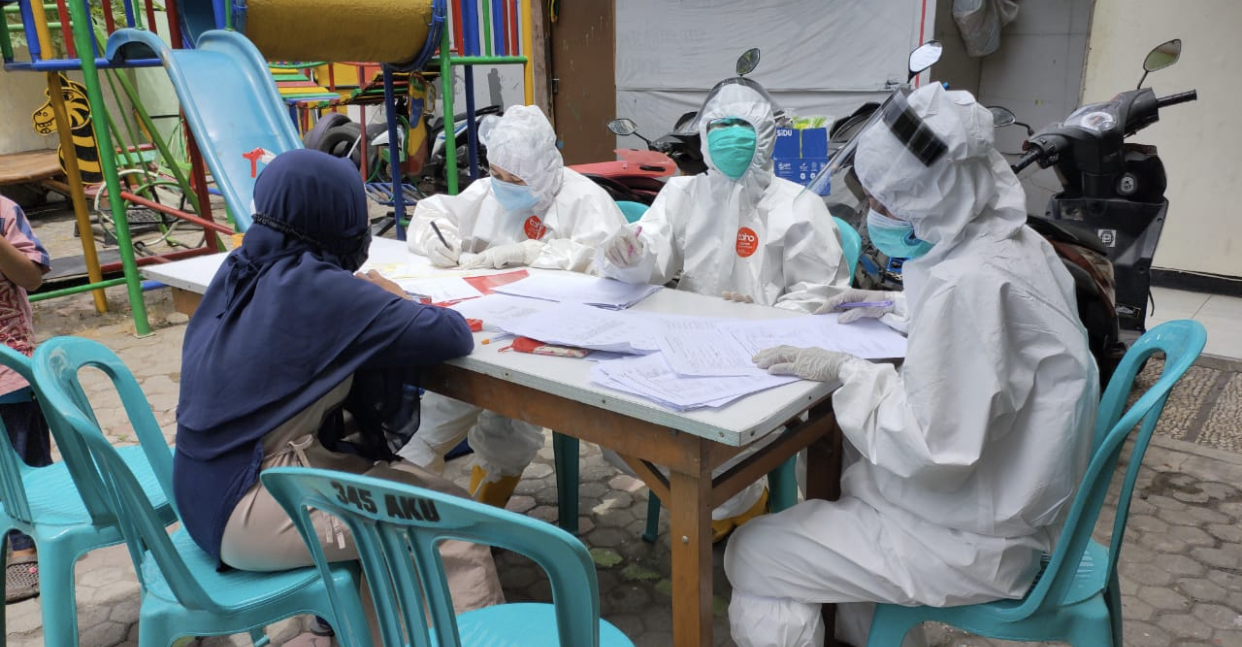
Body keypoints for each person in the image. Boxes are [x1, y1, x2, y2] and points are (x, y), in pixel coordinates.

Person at [723, 84, 1099, 647]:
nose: (875, 214)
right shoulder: (1015, 244)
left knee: (753, 553)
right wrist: (896, 306)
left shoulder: (967, 286)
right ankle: (864, 633)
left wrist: (851, 371)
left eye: (885, 203)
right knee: (843, 475)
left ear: (933, 197)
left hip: (972, 539)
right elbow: (992, 341)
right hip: (1003, 502)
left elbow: (929, 447)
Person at [174, 150, 504, 644]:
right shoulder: (323, 290)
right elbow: (451, 334)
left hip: (203, 489)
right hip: (251, 505)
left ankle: (359, 631)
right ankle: (473, 636)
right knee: (455, 525)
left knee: (424, 493)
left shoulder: (243, 266)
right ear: (338, 217)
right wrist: (394, 296)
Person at [595, 78, 850, 540]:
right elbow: (652, 251)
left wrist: (761, 315)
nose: (729, 136)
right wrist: (629, 255)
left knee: (724, 439)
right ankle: (719, 501)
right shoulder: (682, 195)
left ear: (766, 135)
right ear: (704, 134)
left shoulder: (799, 206)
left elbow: (821, 295)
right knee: (619, 422)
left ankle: (733, 504)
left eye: (742, 126)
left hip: (762, 362)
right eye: (720, 125)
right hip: (686, 347)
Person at [400, 104, 626, 507]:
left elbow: (610, 264)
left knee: (513, 421)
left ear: (542, 170)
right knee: (436, 418)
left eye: (515, 178)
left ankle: (484, 510)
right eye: (497, 174)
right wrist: (437, 236)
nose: (503, 185)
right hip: (491, 334)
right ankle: (416, 518)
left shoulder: (585, 201)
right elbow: (435, 212)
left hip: (563, 346)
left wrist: (532, 254)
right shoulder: (489, 192)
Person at [0, 195, 51, 604]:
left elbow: (32, 278)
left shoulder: (4, 212)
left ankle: (30, 545)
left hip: (11, 370)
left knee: (28, 463)